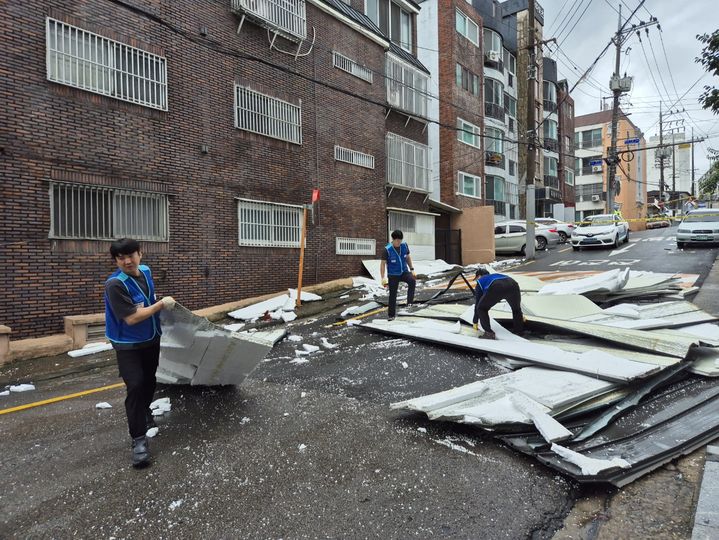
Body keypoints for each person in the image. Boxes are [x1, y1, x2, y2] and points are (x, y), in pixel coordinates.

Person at [104, 238, 175, 467]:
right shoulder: (115, 284)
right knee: (135, 385)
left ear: (140, 254)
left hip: (150, 338)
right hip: (127, 343)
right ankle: (139, 440)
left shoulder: (145, 271)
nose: (127, 261)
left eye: (131, 255)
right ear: (116, 261)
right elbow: (133, 317)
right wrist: (161, 305)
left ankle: (145, 412)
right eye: (121, 258)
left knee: (149, 380)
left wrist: (155, 308)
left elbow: (146, 301)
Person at [472, 267, 523, 339]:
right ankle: (519, 331)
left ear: (479, 276)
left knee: (481, 308)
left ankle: (489, 333)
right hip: (513, 284)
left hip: (497, 286)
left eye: (476, 278)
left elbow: (478, 304)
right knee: (516, 309)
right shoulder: (495, 276)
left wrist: (475, 321)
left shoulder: (480, 281)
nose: (476, 280)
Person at [379, 230, 416, 321]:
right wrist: (383, 277)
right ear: (393, 240)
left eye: (400, 240)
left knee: (412, 281)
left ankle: (409, 303)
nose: (399, 242)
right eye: (397, 241)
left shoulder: (404, 246)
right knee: (393, 294)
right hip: (393, 275)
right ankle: (391, 315)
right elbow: (382, 264)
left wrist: (412, 269)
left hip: (404, 272)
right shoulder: (387, 249)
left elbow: (407, 257)